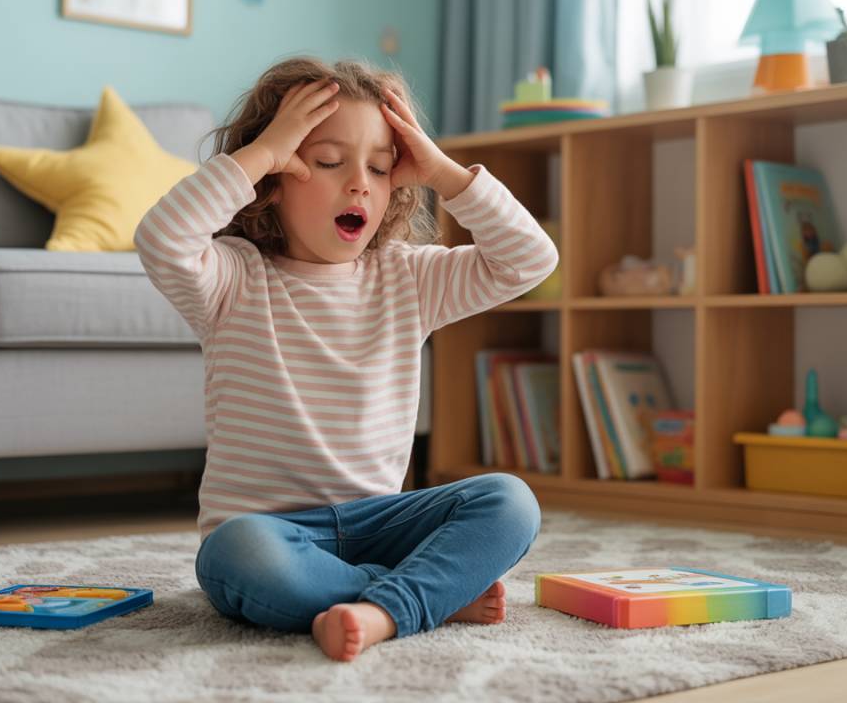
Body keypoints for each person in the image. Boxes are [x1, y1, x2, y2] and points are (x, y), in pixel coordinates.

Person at [134, 56, 558, 662]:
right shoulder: (230, 276)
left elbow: (531, 260)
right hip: (273, 536)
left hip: (382, 526)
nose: (360, 182)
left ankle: (391, 600)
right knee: (236, 554)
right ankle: (418, 598)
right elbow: (160, 239)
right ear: (275, 180)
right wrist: (263, 151)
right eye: (329, 162)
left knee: (510, 501)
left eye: (381, 168)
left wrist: (441, 170)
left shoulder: (408, 277)